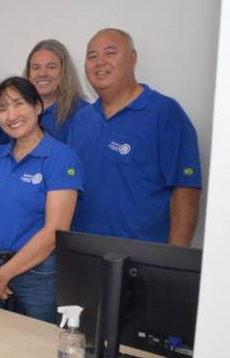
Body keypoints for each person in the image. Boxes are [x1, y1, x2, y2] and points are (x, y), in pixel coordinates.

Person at [65, 28, 202, 246]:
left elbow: (185, 188)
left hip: (143, 255)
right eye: (92, 56)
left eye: (110, 53)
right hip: (82, 251)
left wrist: (174, 256)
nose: (100, 62)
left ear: (133, 58)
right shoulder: (81, 120)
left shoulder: (165, 112)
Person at [0, 78, 83, 323]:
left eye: (18, 104)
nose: (11, 115)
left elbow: (55, 230)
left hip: (39, 273)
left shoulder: (61, 157)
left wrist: (4, 275)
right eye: (2, 108)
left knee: (38, 343)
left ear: (37, 107)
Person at [23, 39, 89, 142]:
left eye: (51, 67)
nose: (42, 74)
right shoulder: (15, 110)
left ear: (64, 72)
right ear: (28, 73)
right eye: (36, 68)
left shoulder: (82, 112)